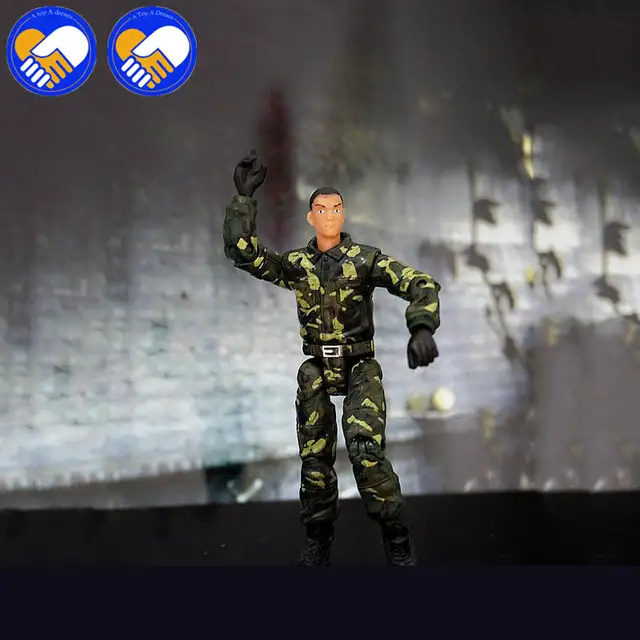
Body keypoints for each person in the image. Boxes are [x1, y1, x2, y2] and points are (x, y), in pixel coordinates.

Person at [223, 150, 441, 566]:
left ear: (343, 214)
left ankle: (396, 536)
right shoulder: (297, 265)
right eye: (321, 210)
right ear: (311, 217)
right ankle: (318, 538)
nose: (329, 216)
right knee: (315, 459)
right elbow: (244, 254)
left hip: (360, 365)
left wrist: (422, 327)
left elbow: (419, 283)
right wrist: (243, 200)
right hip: (317, 368)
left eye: (336, 208)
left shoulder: (365, 260)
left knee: (365, 449)